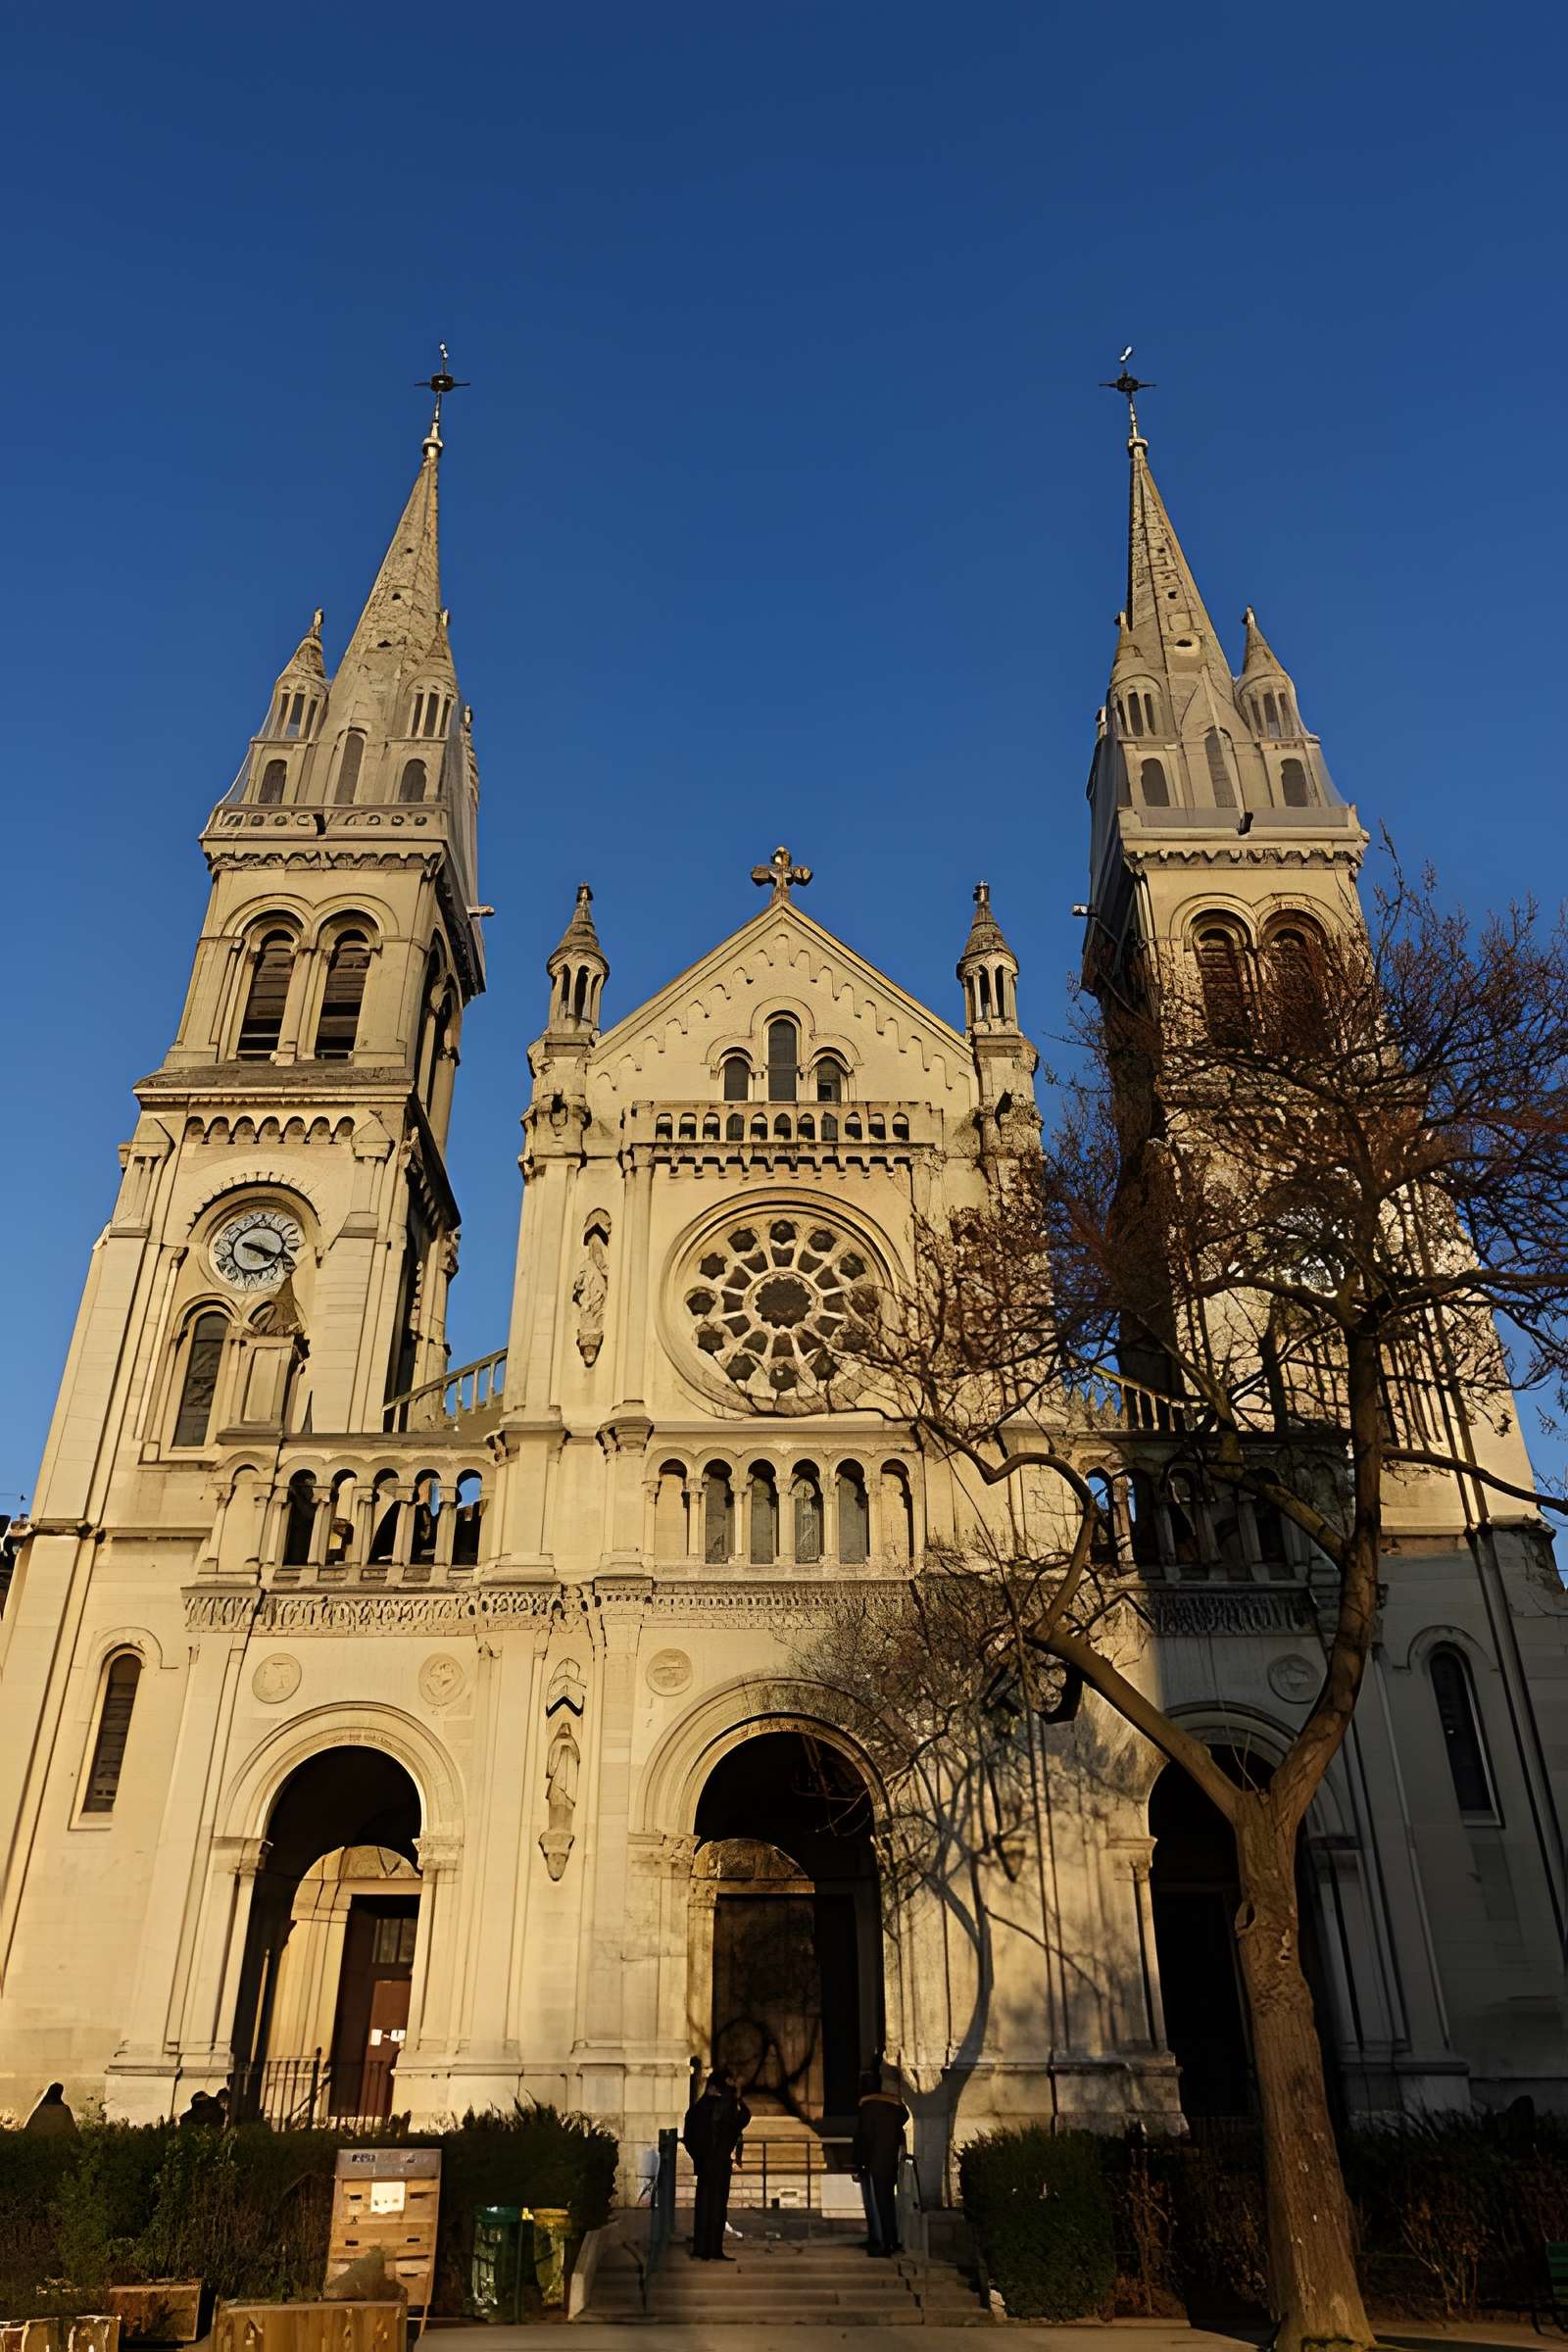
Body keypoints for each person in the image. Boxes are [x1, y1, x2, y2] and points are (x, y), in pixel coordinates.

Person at [682, 2065, 751, 2260]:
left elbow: (689, 2138)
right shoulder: (724, 2107)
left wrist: (699, 2157)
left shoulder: (698, 2108)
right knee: (718, 2206)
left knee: (703, 2204)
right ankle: (713, 2249)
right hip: (719, 2162)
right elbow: (742, 2120)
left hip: (704, 2163)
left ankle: (701, 2249)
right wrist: (738, 2098)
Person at [853, 2067, 909, 2258]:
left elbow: (864, 2138)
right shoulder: (894, 2107)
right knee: (889, 2203)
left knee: (879, 2205)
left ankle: (884, 2243)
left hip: (874, 2163)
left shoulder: (868, 2108)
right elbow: (904, 2119)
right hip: (892, 2161)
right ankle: (892, 2239)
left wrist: (859, 2162)